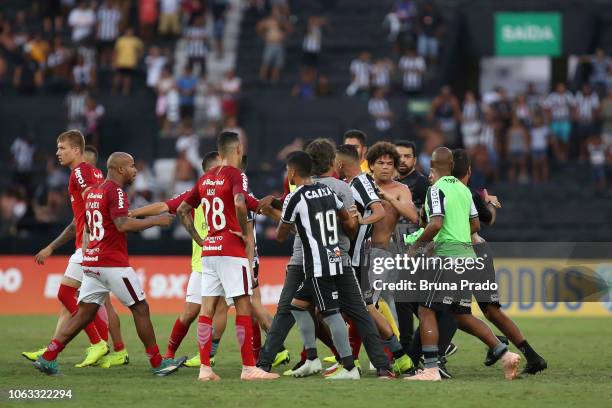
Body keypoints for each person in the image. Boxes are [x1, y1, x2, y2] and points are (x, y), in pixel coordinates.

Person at [33, 152, 184, 376]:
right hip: (112, 263)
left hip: (92, 261)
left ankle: (48, 357)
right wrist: (155, 220)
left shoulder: (94, 191)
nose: (135, 170)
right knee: (140, 308)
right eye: (132, 166)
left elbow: (86, 224)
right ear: (120, 169)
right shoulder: (116, 191)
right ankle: (157, 363)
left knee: (84, 313)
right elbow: (122, 224)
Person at [406, 147, 521, 381]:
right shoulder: (463, 190)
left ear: (432, 168)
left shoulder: (435, 190)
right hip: (468, 259)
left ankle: (430, 369)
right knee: (461, 314)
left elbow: (435, 224)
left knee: (425, 309)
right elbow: (476, 225)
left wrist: (416, 246)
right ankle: (505, 354)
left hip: (446, 259)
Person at [176, 131, 279, 381]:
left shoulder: (205, 179)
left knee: (207, 310)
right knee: (243, 306)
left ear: (219, 152)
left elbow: (182, 209)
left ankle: (205, 369)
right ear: (238, 149)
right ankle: (248, 368)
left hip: (209, 251)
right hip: (231, 250)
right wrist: (243, 233)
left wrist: (200, 240)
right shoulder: (237, 175)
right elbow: (241, 203)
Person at [452, 148, 548, 375]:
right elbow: (489, 220)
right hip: (480, 251)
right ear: (469, 170)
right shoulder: (471, 194)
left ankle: (497, 342)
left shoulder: (445, 191)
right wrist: (492, 203)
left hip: (463, 255)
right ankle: (531, 355)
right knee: (491, 310)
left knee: (457, 314)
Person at [129, 151, 221, 367]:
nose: (223, 170)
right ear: (207, 171)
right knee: (190, 312)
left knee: (245, 307)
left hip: (228, 258)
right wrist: (134, 213)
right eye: (218, 167)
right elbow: (164, 206)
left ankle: (263, 356)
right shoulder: (197, 192)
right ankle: (169, 355)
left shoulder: (232, 187)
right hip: (204, 263)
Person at [27, 130, 109, 368]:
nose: (58, 153)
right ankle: (96, 348)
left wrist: (89, 239)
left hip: (89, 244)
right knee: (87, 301)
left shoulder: (80, 172)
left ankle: (100, 344)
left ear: (76, 150)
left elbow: (94, 202)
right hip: (92, 242)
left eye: (62, 148)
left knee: (69, 296)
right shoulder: (93, 172)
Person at [333, 144, 414, 376]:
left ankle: (389, 357)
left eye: (390, 163)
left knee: (368, 308)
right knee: (367, 308)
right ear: (371, 164)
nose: (386, 167)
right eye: (381, 163)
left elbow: (413, 216)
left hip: (382, 255)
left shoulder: (399, 189)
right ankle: (395, 355)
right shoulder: (363, 184)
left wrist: (387, 199)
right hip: (365, 255)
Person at [256, 7, 292, 83]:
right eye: (275, 12)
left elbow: (290, 30)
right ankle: (262, 79)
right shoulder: (268, 21)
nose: (276, 14)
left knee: (278, 64)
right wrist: (264, 36)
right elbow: (258, 27)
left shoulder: (283, 22)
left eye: (278, 12)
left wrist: (284, 33)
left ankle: (274, 80)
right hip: (270, 44)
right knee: (266, 62)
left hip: (279, 44)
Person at [544, 82, 574, 163]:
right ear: (556, 88)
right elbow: (546, 107)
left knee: (565, 140)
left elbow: (574, 106)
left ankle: (564, 154)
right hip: (555, 121)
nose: (561, 89)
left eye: (562, 87)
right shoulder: (552, 96)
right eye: (559, 87)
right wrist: (549, 116)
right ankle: (558, 155)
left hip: (565, 120)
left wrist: (571, 116)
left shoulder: (568, 95)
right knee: (554, 140)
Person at [112, 28, 144, 96]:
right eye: (128, 31)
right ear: (125, 32)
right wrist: (114, 61)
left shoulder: (136, 40)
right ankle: (115, 90)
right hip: (120, 62)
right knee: (118, 76)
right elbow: (116, 51)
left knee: (128, 77)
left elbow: (141, 49)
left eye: (130, 31)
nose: (129, 33)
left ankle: (125, 91)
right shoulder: (120, 40)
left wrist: (138, 58)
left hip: (130, 63)